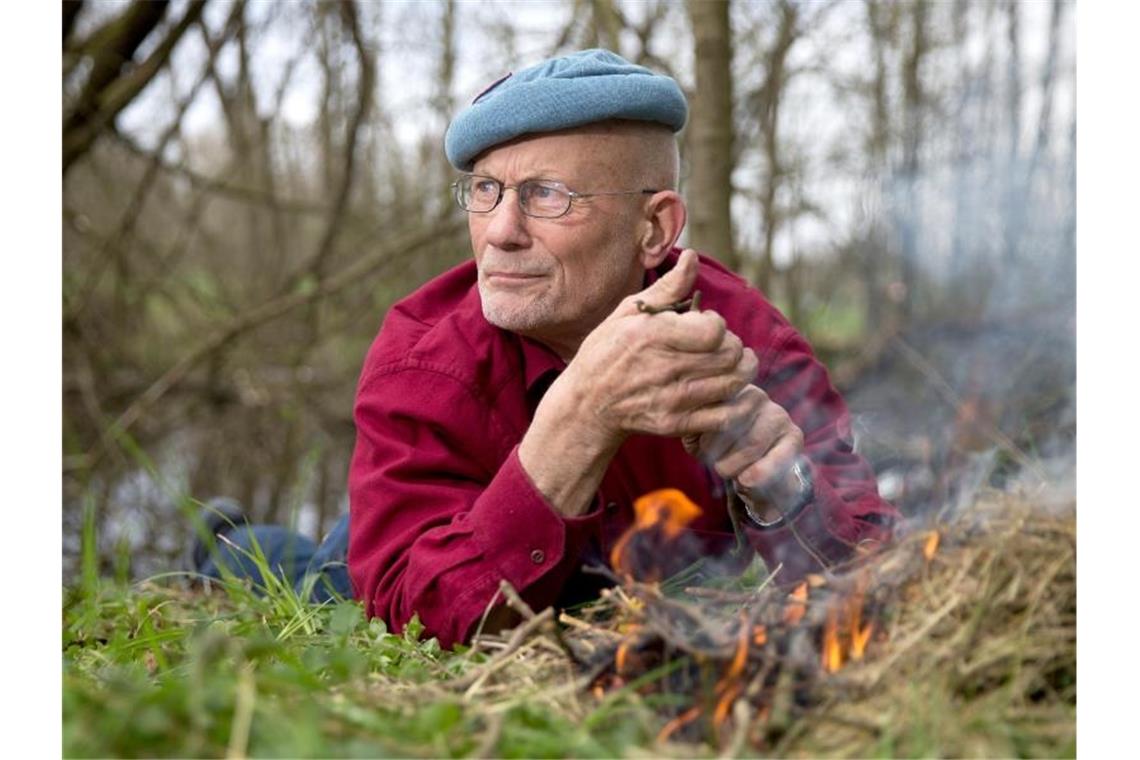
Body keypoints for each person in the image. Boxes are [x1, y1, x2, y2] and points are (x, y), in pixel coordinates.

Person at [193, 49, 897, 648]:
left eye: (547, 196)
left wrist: (787, 491)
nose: (500, 232)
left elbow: (875, 553)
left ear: (654, 229)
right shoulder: (423, 356)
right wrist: (582, 414)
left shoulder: (745, 336)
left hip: (605, 578)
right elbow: (408, 611)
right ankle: (221, 539)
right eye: (486, 191)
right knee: (320, 584)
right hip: (446, 527)